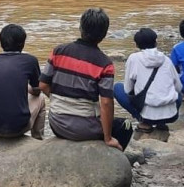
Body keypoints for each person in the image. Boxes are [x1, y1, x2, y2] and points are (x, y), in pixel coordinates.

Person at [39, 8, 133, 151]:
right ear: (104, 34)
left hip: (56, 123)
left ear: (80, 28)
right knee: (125, 125)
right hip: (85, 129)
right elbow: (106, 103)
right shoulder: (104, 63)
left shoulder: (58, 51)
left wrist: (61, 100)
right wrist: (108, 138)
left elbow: (43, 85)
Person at [0, 24, 46, 140]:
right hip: (16, 129)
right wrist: (26, 87)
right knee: (41, 99)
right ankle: (37, 140)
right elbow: (37, 91)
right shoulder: (30, 60)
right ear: (22, 43)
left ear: (1, 43)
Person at [113, 28, 182, 133]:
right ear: (156, 42)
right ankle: (161, 124)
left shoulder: (133, 58)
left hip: (147, 116)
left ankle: (144, 123)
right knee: (178, 93)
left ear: (137, 45)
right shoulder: (166, 60)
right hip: (171, 116)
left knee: (117, 88)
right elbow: (179, 88)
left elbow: (127, 90)